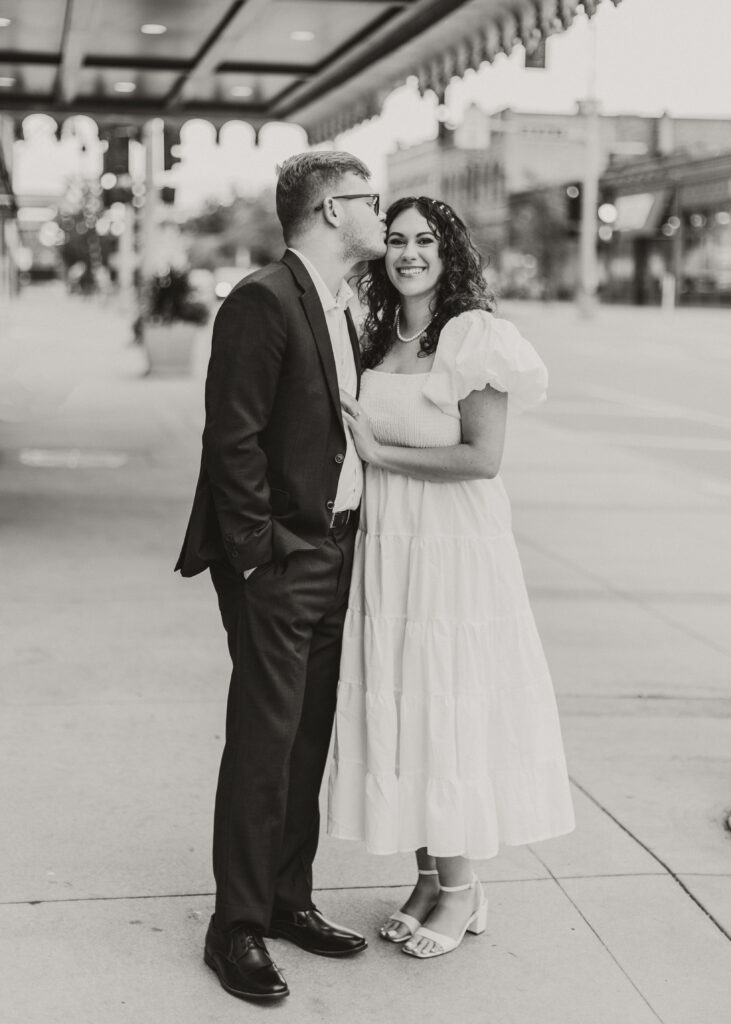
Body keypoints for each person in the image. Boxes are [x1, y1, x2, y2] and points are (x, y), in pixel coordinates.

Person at [327, 196, 575, 960]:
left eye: (424, 240)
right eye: (395, 240)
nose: (407, 252)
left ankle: (464, 891)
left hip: (453, 551)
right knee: (401, 706)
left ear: (450, 251)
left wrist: (379, 456)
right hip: (391, 546)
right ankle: (430, 877)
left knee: (443, 705)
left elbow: (482, 457)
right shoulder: (379, 333)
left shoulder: (474, 335)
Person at [175, 152, 386, 1001]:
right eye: (371, 201)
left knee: (307, 736)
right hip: (281, 561)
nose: (381, 212)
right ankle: (234, 926)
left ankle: (286, 899)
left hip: (335, 551)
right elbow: (231, 439)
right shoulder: (262, 299)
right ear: (333, 211)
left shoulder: (340, 303)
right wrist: (262, 555)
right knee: (265, 738)